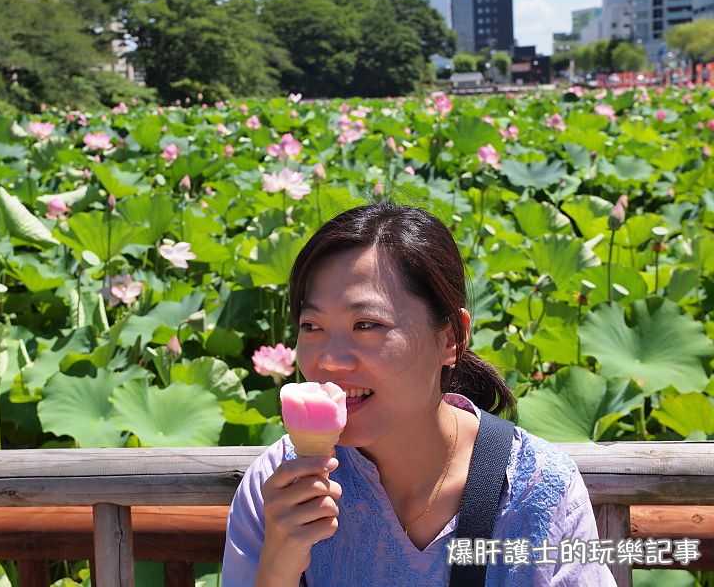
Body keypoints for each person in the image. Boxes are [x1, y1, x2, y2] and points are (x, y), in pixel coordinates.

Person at [222, 202, 616, 586]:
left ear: (451, 338)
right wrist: (277, 566)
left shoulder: (538, 488)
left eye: (366, 324)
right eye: (311, 326)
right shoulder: (276, 486)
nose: (329, 360)